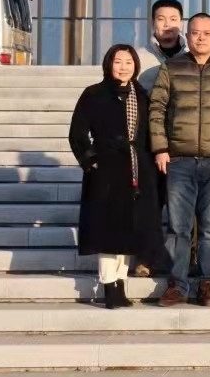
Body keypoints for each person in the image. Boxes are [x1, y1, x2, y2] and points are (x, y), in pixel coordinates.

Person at [150, 13, 210, 307]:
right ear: (187, 36)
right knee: (178, 227)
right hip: (178, 159)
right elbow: (157, 108)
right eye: (195, 33)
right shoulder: (171, 67)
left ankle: (206, 284)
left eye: (207, 33)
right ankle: (177, 285)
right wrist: (160, 147)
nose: (200, 38)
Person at [69, 44, 167, 309]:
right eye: (118, 62)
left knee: (129, 231)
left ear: (135, 66)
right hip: (106, 172)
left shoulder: (142, 95)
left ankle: (121, 284)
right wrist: (91, 161)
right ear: (108, 64)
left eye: (128, 62)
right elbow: (78, 133)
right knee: (108, 232)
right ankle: (108, 285)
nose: (123, 67)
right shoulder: (94, 94)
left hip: (136, 172)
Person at [133, 0, 186, 277]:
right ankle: (146, 258)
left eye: (173, 19)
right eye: (161, 19)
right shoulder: (138, 58)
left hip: (182, 141)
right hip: (148, 143)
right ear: (153, 23)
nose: (168, 25)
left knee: (182, 205)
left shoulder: (192, 56)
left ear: (181, 23)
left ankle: (182, 259)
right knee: (150, 204)